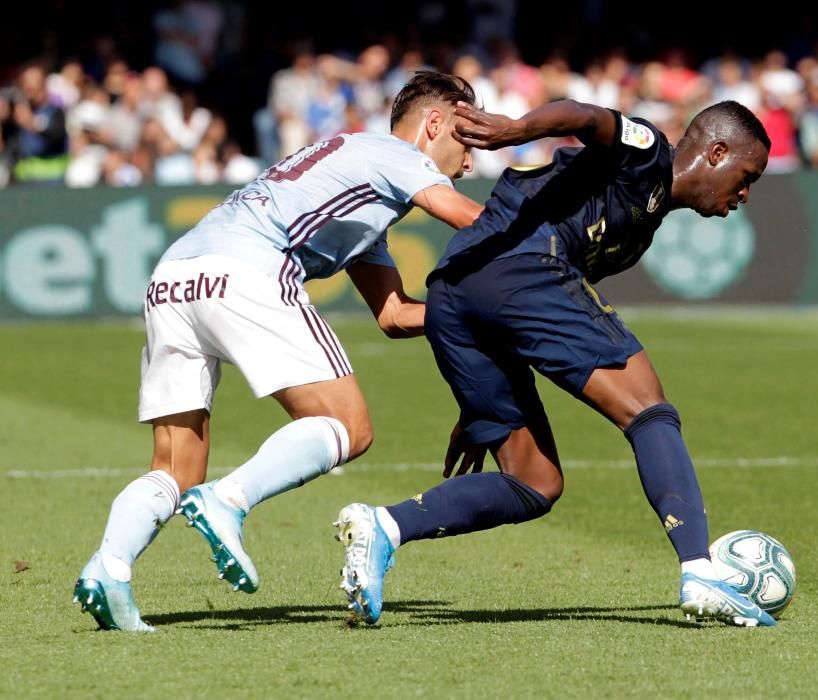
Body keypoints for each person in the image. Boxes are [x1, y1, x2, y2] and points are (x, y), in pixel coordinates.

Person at [335, 98, 777, 627]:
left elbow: (520, 319)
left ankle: (383, 527)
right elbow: (589, 119)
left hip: (455, 293)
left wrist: (481, 401)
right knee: (649, 410)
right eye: (746, 175)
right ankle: (700, 569)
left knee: (533, 481)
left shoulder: (641, 228)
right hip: (523, 265)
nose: (745, 194)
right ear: (716, 151)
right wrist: (517, 130)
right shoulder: (649, 156)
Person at [73, 71, 483, 632]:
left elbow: (393, 314)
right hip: (248, 267)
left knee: (175, 467)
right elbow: (471, 219)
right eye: (471, 136)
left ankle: (109, 570)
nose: (472, 159)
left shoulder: (364, 190)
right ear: (435, 123)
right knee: (349, 426)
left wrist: (480, 310)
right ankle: (231, 500)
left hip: (174, 276)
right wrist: (555, 252)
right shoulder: (393, 154)